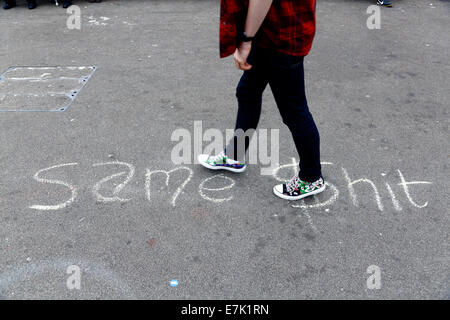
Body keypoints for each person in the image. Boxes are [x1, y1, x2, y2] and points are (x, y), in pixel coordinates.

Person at [198, 0, 326, 201]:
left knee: (294, 110)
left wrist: (246, 38)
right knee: (248, 92)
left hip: (282, 35)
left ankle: (311, 176)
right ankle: (234, 155)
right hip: (272, 31)